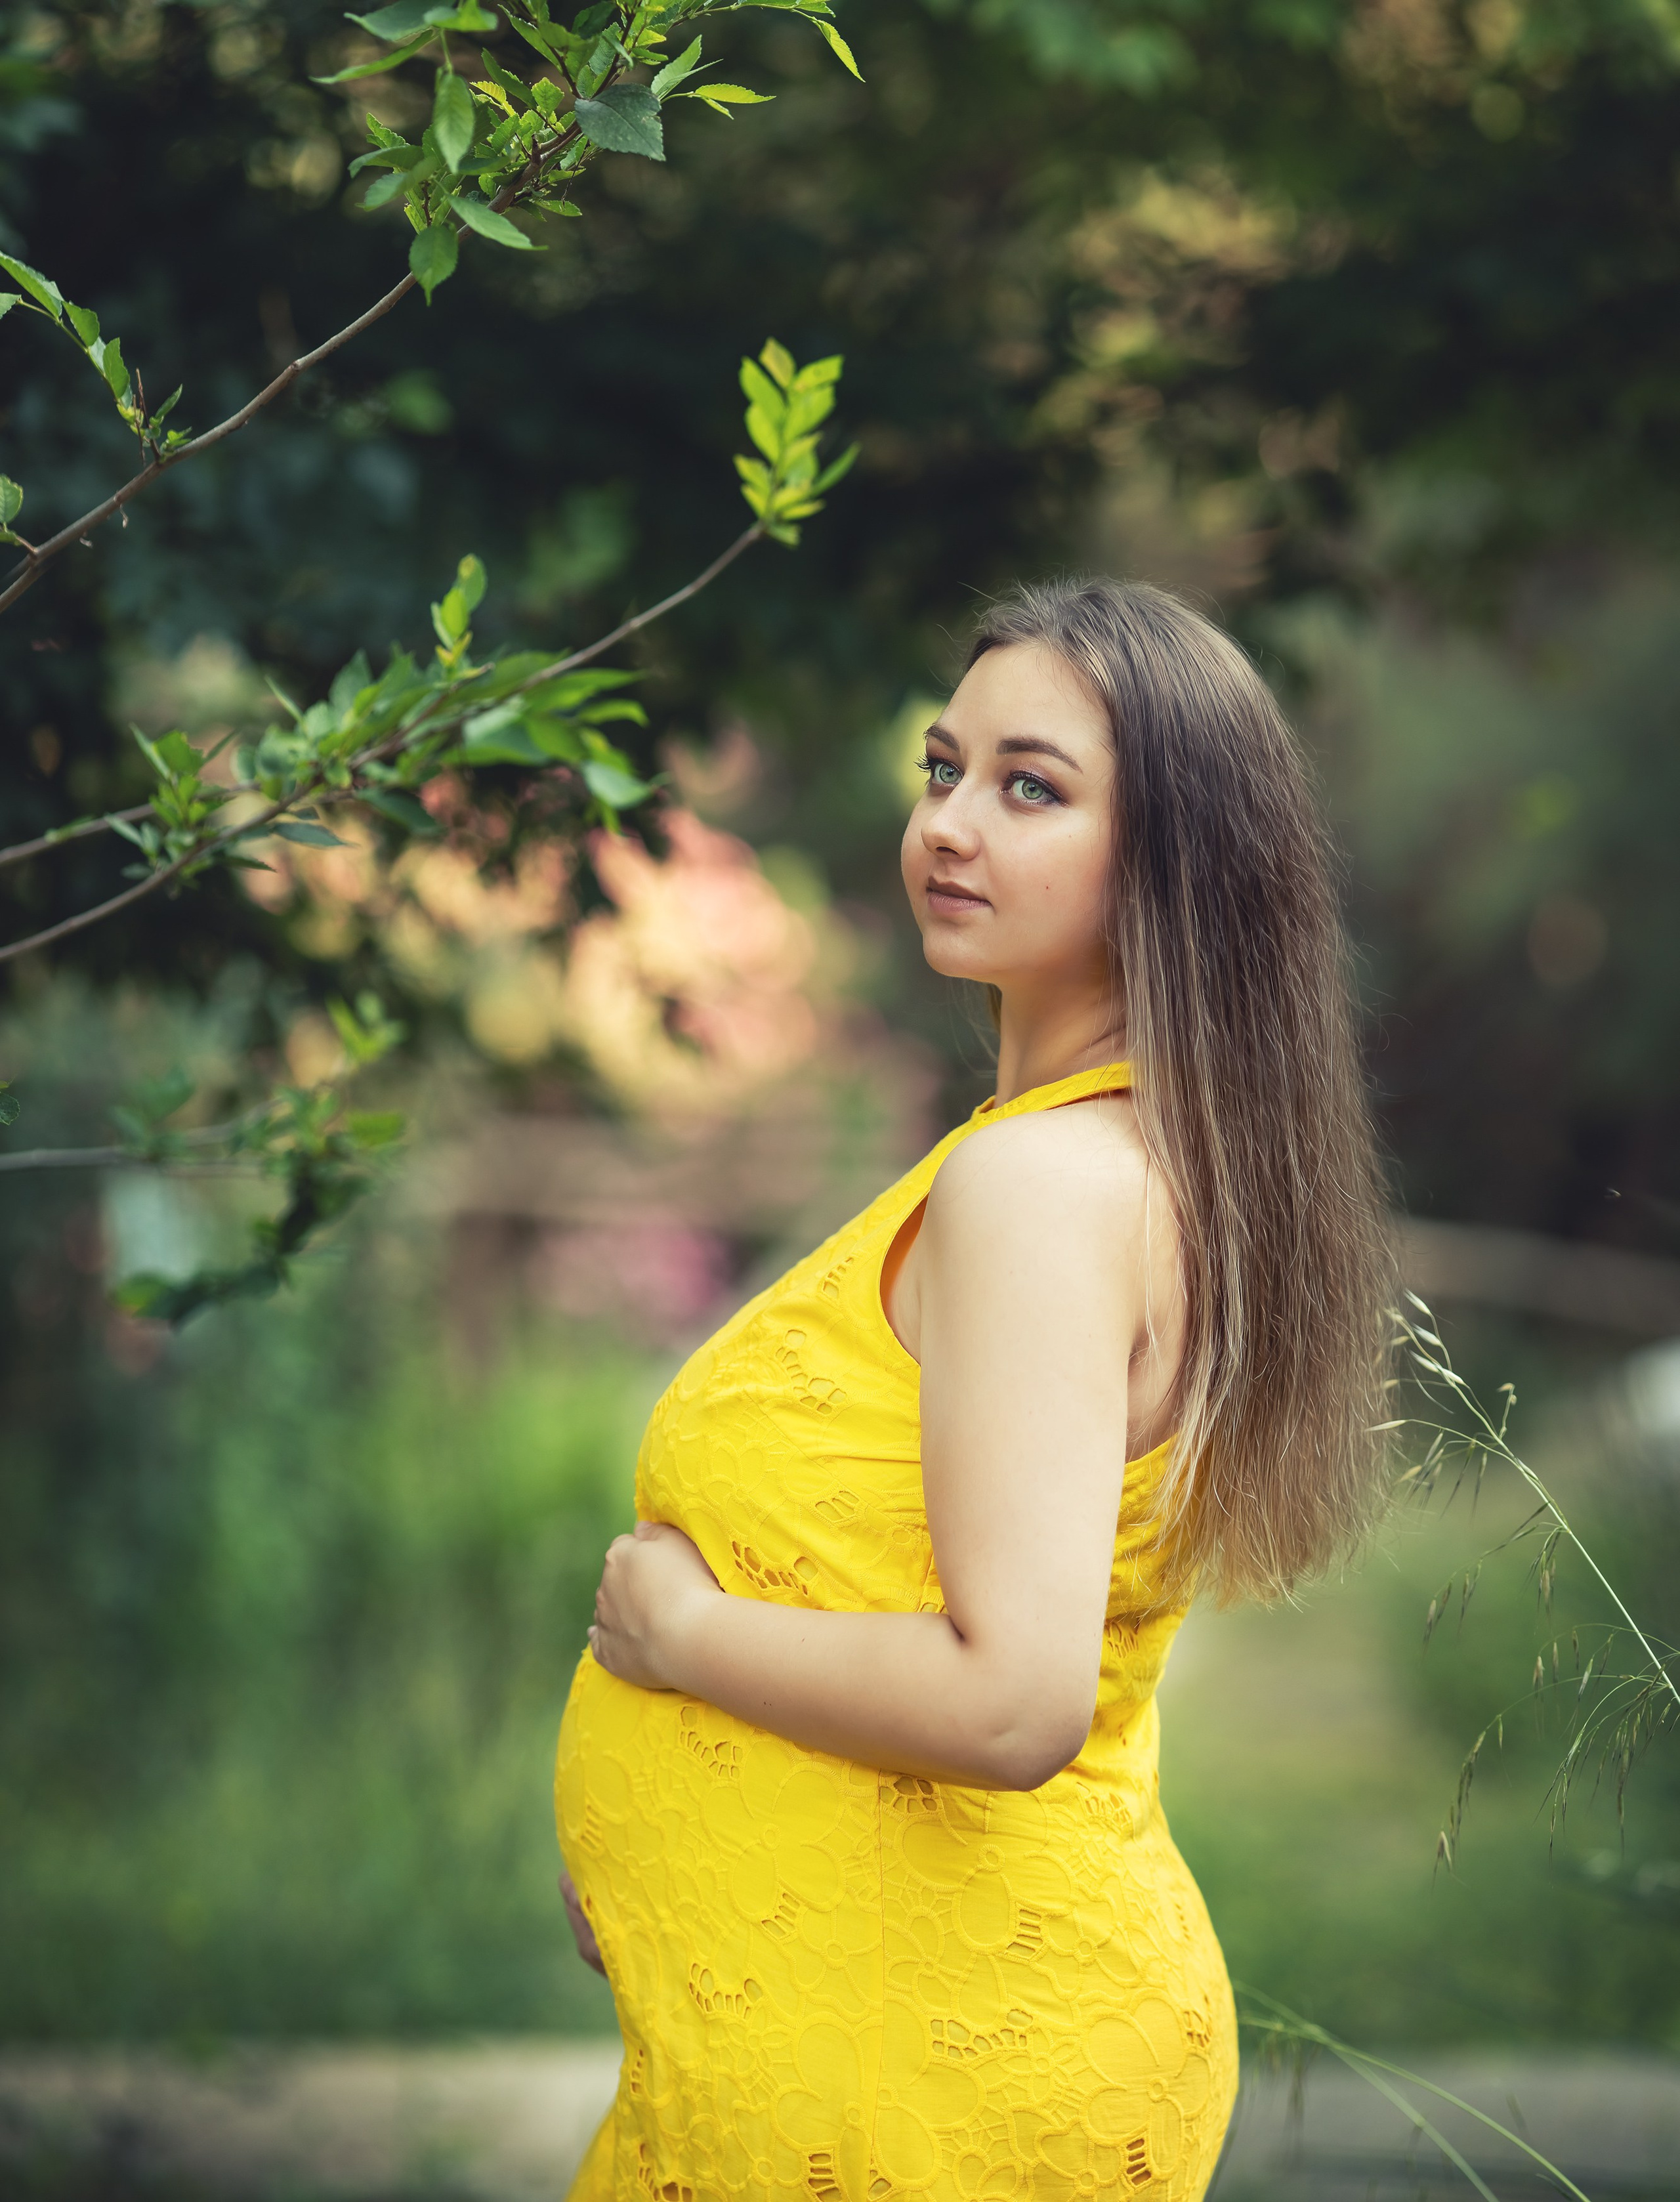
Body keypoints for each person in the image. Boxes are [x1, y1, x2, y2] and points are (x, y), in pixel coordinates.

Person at [553, 576, 1393, 2199]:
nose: (949, 822)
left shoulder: (1043, 1191)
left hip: (928, 2070)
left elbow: (1013, 1699)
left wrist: (682, 1640)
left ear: (1171, 862)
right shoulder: (1114, 1162)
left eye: (1030, 788)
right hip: (891, 2030)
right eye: (942, 769)